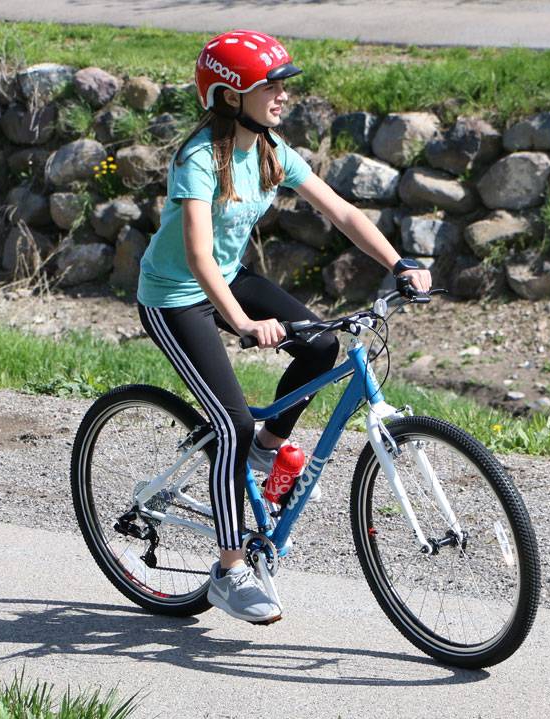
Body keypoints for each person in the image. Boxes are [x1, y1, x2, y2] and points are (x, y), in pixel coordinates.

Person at [136, 29, 431, 625]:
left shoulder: (270, 148)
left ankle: (266, 453)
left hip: (228, 277)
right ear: (227, 96)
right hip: (173, 296)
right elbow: (195, 257)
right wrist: (243, 322)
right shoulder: (198, 159)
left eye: (280, 85)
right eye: (266, 86)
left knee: (322, 343)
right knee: (232, 424)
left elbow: (343, 211)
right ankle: (229, 570)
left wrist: (399, 264)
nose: (280, 96)